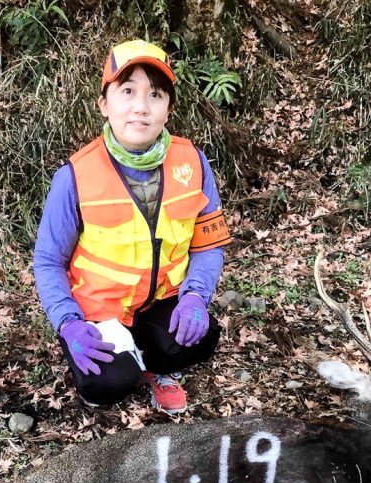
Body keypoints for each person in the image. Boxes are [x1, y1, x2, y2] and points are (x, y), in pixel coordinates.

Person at [33, 39, 231, 415]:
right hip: (97, 313)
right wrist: (68, 323)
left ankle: (155, 366)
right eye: (127, 91)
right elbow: (47, 262)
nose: (141, 106)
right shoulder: (74, 176)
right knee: (108, 384)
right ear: (104, 104)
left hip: (160, 302)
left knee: (203, 338)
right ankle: (118, 363)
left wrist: (195, 298)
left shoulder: (193, 162)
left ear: (168, 109)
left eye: (155, 95)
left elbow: (209, 243)